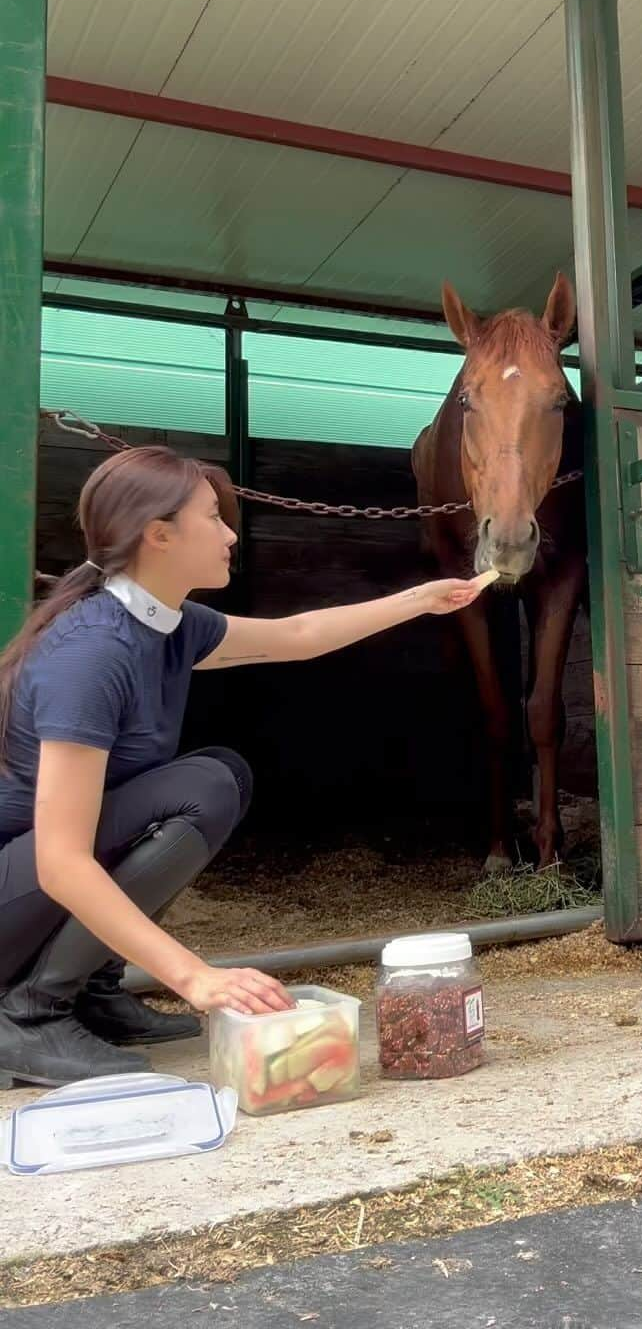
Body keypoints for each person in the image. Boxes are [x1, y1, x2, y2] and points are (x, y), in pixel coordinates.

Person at [0, 444, 487, 1089]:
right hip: (18, 888)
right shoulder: (91, 655)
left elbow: (298, 637)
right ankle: (29, 1014)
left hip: (25, 891)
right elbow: (61, 862)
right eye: (213, 518)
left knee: (218, 776)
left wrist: (422, 600)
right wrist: (194, 977)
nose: (231, 533)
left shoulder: (164, 624)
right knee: (198, 788)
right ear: (159, 534)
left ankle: (92, 990)